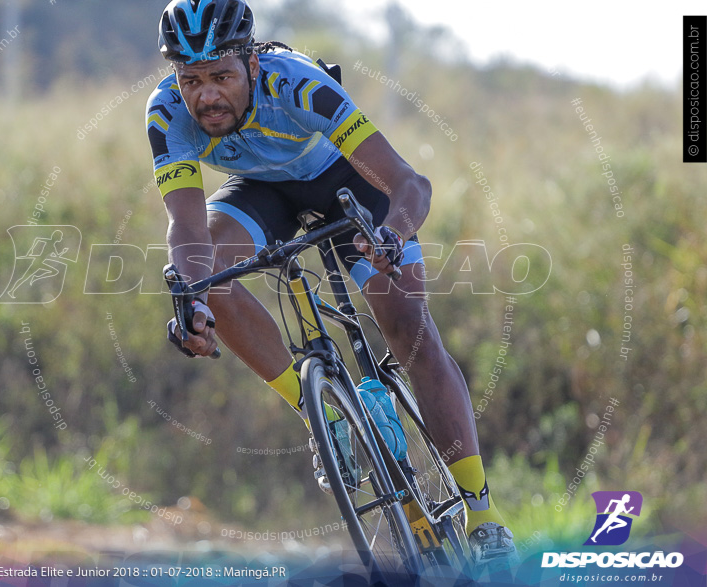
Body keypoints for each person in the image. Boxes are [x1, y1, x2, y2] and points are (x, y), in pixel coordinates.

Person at [146, 0, 516, 568]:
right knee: (210, 273)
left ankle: (482, 511)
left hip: (348, 181)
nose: (206, 96)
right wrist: (190, 298)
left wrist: (391, 235)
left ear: (250, 61)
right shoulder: (166, 112)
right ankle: (324, 415)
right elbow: (187, 228)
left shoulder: (297, 85)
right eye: (190, 79)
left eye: (221, 75)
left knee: (409, 328)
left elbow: (408, 183)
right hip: (262, 189)